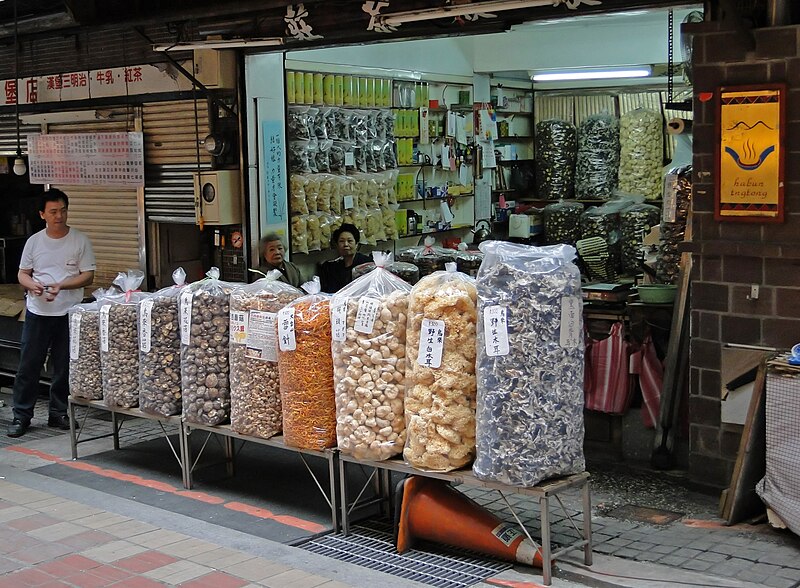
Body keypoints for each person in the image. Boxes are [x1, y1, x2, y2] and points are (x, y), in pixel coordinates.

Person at [7, 189, 96, 438]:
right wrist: (31, 285)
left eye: (63, 210)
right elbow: (22, 273)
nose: (59, 216)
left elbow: (88, 275)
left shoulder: (80, 240)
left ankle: (58, 413)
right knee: (28, 365)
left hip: (69, 313)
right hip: (37, 312)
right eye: (53, 212)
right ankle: (21, 416)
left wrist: (62, 286)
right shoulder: (34, 241)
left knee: (65, 365)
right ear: (42, 214)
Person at [318, 223, 370, 294]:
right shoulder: (334, 268)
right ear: (337, 245)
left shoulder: (366, 264)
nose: (346, 244)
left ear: (356, 244)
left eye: (350, 241)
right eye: (341, 241)